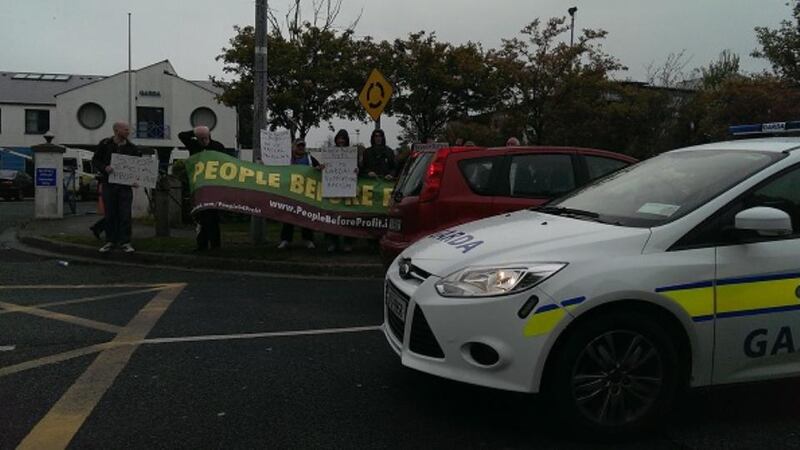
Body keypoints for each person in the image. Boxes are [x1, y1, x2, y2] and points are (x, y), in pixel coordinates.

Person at [91, 121, 142, 253]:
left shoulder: (132, 148)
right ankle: (110, 241)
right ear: (116, 130)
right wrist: (104, 168)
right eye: (125, 129)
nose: (128, 132)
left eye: (128, 129)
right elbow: (95, 160)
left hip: (125, 186)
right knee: (110, 214)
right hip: (109, 184)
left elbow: (138, 166)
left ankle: (125, 241)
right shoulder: (105, 144)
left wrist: (136, 179)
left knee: (125, 214)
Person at [178, 126, 228, 252]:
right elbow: (181, 135)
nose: (203, 141)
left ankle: (215, 245)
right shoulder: (194, 145)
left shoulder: (218, 146)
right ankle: (202, 245)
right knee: (201, 217)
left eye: (205, 138)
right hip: (199, 186)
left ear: (209, 136)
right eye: (200, 138)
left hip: (213, 186)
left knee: (213, 217)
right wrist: (194, 132)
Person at [278, 138, 321, 249]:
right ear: (294, 147)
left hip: (306, 193)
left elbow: (319, 168)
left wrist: (318, 168)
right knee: (288, 216)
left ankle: (308, 239)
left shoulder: (310, 158)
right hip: (290, 192)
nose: (301, 148)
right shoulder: (287, 158)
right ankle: (285, 239)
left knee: (306, 216)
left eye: (302, 146)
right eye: (299, 146)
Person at [325, 129, 356, 253]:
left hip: (348, 190)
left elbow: (359, 166)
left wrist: (357, 170)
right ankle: (333, 242)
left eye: (343, 138)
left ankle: (348, 242)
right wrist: (322, 167)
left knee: (348, 217)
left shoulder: (352, 153)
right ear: (336, 140)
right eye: (339, 138)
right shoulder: (330, 153)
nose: (341, 141)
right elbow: (325, 166)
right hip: (333, 190)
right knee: (332, 217)